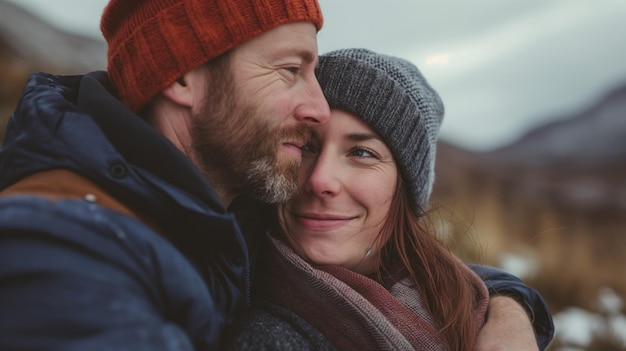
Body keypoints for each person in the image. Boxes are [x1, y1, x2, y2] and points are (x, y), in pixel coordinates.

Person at [0, 0, 552, 350]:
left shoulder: (228, 212)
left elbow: (419, 269)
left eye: (362, 153)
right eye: (291, 70)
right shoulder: (67, 250)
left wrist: (506, 313)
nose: (316, 107)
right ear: (185, 77)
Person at [222, 49, 552, 350]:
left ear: (404, 189)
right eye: (306, 146)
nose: (321, 179)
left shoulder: (454, 298)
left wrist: (509, 309)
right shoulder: (263, 333)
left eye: (361, 152)